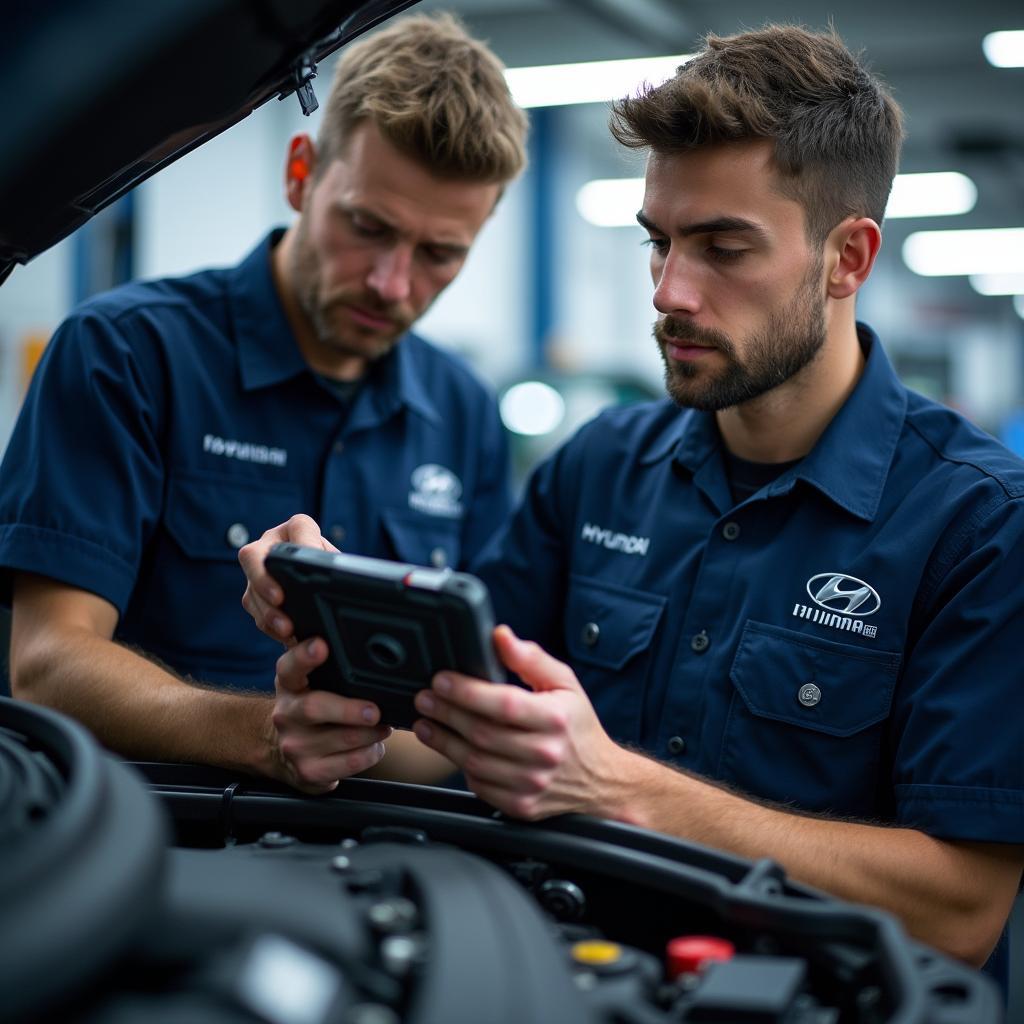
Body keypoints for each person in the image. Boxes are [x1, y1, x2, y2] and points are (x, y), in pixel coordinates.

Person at [240, 25, 1024, 987]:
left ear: (847, 258)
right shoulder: (603, 465)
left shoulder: (978, 524)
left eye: (723, 247)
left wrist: (619, 787)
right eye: (658, 242)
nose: (669, 291)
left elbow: (961, 910)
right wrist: (338, 709)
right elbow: (452, 731)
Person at [0, 13, 528, 786]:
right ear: (301, 174)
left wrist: (389, 738)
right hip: (158, 841)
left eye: (439, 254)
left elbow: (466, 716)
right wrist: (264, 736)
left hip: (386, 856)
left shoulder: (465, 411)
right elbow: (47, 664)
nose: (392, 283)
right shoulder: (126, 353)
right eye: (367, 226)